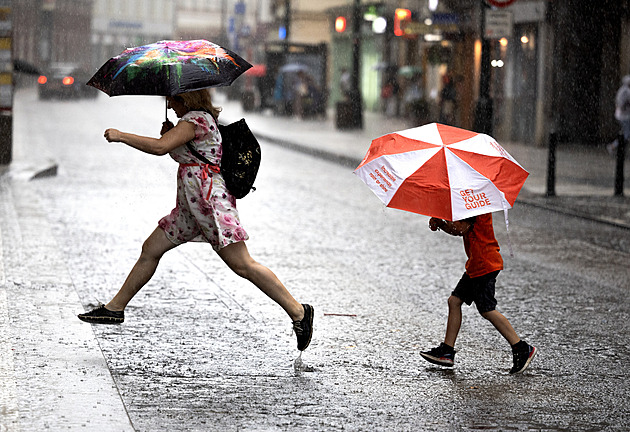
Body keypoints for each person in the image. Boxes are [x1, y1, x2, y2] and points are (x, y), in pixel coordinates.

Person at [78, 89, 314, 352]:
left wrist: (122, 136)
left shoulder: (196, 120)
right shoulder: (189, 123)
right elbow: (181, 153)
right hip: (191, 208)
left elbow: (159, 148)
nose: (169, 103)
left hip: (211, 205)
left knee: (243, 265)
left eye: (173, 99)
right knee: (151, 249)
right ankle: (115, 308)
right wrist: (171, 134)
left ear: (186, 99)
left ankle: (299, 312)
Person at [420, 213, 537, 374]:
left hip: (484, 264)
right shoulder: (469, 202)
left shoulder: (474, 206)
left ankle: (522, 348)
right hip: (476, 264)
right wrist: (442, 224)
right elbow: (459, 229)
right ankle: (447, 351)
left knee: (487, 309)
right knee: (454, 301)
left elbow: (461, 228)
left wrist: (441, 223)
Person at [609, 74, 630, 155]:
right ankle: (614, 146)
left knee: (626, 133)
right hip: (624, 116)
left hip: (621, 115)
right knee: (626, 134)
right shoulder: (626, 91)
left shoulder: (622, 90)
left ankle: (618, 148)